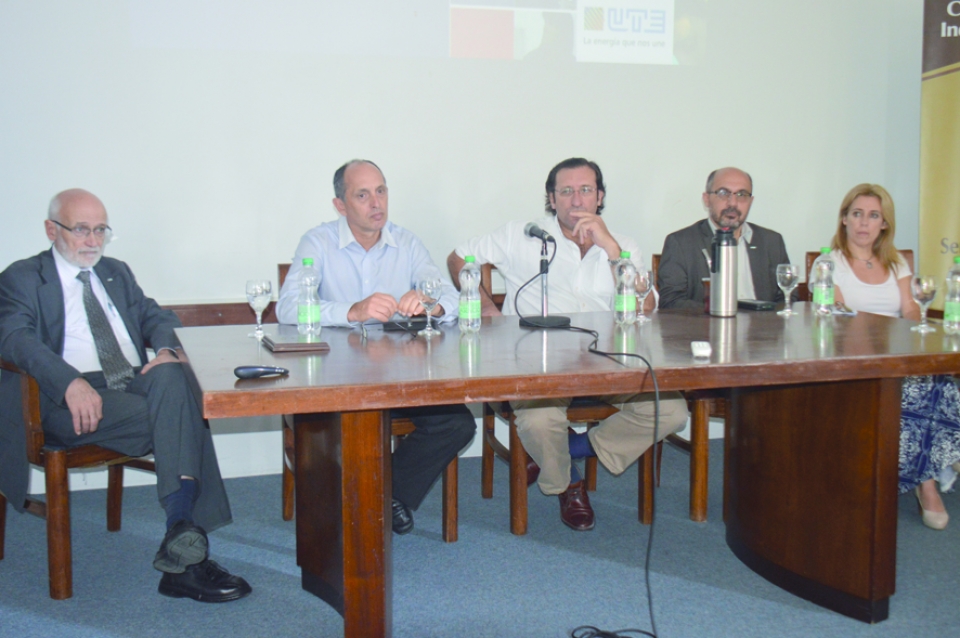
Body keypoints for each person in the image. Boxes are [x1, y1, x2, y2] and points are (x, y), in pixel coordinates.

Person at [0, 189, 250, 601]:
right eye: (82, 229)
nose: (93, 240)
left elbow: (157, 316)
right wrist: (68, 381)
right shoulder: (23, 277)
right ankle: (186, 553)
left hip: (131, 380)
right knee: (186, 410)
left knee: (173, 374)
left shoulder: (115, 272)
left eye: (101, 230)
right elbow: (14, 338)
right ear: (51, 230)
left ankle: (180, 532)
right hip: (64, 395)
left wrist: (166, 349)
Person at [447, 157, 689, 531]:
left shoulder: (622, 245)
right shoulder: (521, 235)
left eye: (586, 190)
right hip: (535, 360)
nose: (577, 200)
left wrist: (611, 250)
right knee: (540, 420)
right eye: (566, 191)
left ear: (600, 196)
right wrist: (488, 310)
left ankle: (569, 450)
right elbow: (458, 258)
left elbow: (647, 307)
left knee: (670, 410)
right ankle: (568, 482)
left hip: (609, 361)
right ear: (552, 199)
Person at [275, 159, 475, 535]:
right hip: (336, 376)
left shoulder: (407, 242)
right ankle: (370, 499)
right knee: (330, 429)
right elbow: (287, 309)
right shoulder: (317, 242)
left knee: (457, 423)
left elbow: (450, 297)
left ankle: (382, 494)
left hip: (401, 375)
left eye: (380, 191)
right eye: (362, 195)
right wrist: (351, 311)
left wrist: (432, 303)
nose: (376, 202)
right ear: (340, 205)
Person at [828, 183, 960, 530]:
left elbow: (910, 310)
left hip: (898, 354)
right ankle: (928, 484)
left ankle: (930, 470)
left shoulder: (897, 261)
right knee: (914, 392)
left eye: (874, 216)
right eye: (857, 214)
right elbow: (837, 317)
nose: (864, 223)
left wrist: (912, 335)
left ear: (884, 224)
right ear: (844, 219)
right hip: (855, 359)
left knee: (937, 382)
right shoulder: (830, 263)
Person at [657, 167, 792, 309]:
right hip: (708, 323)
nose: (733, 203)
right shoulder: (681, 243)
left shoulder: (772, 241)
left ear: (751, 201)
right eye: (723, 193)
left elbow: (788, 297)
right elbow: (670, 302)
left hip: (761, 323)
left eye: (742, 194)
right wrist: (721, 312)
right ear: (707, 199)